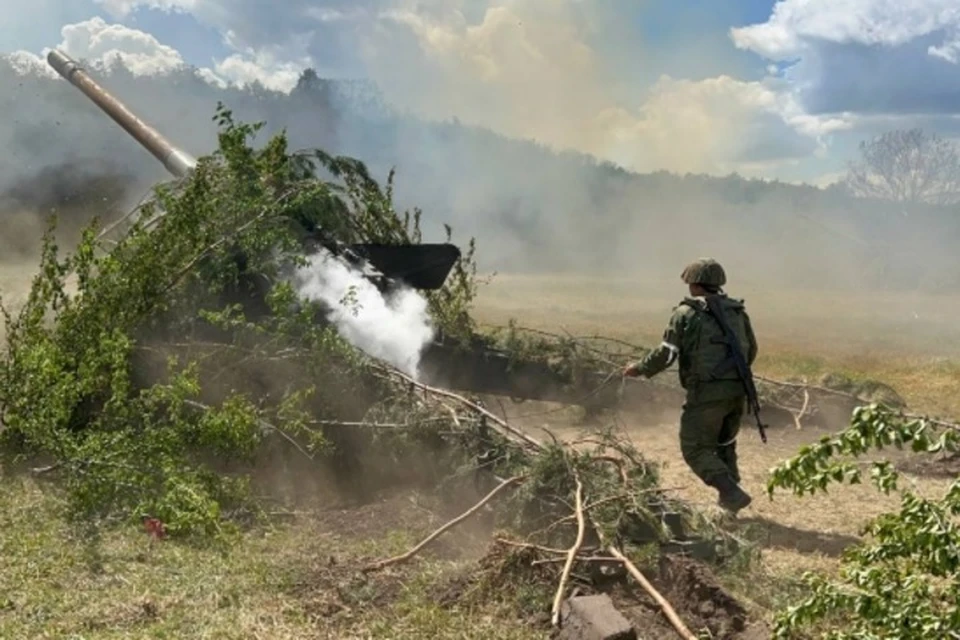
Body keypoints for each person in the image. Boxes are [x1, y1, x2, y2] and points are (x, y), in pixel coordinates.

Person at [622, 258, 757, 514]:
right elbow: (751, 350)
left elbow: (667, 354)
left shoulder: (686, 314)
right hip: (738, 391)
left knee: (695, 448)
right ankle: (730, 499)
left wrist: (639, 368)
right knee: (724, 444)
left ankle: (731, 493)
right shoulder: (737, 311)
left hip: (706, 393)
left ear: (695, 285)